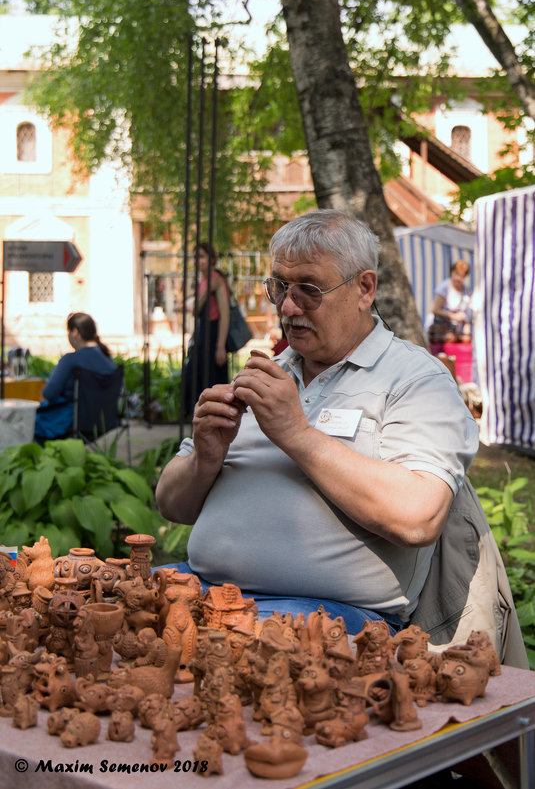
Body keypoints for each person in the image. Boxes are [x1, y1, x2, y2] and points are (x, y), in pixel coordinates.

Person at [155, 210, 480, 636]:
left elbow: (417, 516)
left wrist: (297, 435)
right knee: (93, 612)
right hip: (204, 589)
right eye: (279, 287)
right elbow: (170, 504)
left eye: (309, 289)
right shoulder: (266, 373)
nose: (288, 307)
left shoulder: (415, 378)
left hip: (328, 616)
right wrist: (204, 458)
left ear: (364, 288)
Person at [34, 312, 116, 442]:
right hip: (105, 422)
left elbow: (49, 393)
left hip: (72, 422)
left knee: (27, 423)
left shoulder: (71, 360)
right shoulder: (109, 361)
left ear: (75, 332)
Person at [183, 242, 230, 415]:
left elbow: (225, 315)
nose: (198, 261)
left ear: (212, 259)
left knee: (211, 380)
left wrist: (220, 346)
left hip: (214, 333)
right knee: (194, 378)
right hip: (202, 333)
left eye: (201, 256)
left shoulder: (216, 279)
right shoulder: (204, 281)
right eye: (195, 257)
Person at [427, 260, 472, 344]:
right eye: (456, 274)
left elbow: (468, 313)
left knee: (466, 339)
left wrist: (467, 328)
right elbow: (434, 309)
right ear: (452, 272)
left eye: (461, 276)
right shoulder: (444, 288)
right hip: (439, 328)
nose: (458, 278)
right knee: (450, 338)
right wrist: (453, 316)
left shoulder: (466, 291)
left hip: (455, 329)